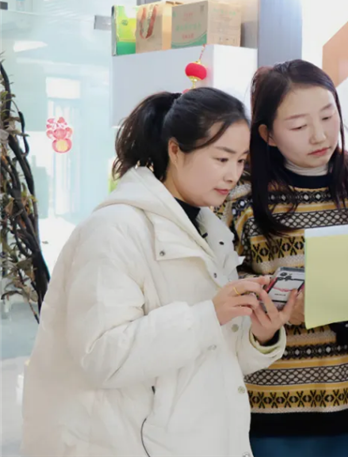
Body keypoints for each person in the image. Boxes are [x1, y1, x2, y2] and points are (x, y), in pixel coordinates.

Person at [21, 87, 297, 456]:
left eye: (240, 161)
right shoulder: (114, 229)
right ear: (175, 151)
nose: (232, 174)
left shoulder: (209, 231)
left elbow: (216, 361)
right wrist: (209, 315)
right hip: (123, 443)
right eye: (221, 158)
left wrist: (260, 335)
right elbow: (102, 356)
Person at [218, 60, 348, 457]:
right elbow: (215, 291)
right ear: (267, 134)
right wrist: (273, 307)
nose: (320, 135)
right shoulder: (238, 195)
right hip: (275, 407)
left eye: (328, 117)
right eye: (298, 126)